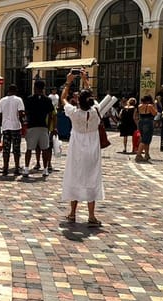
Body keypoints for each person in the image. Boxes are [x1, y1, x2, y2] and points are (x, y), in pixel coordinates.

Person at [59, 71, 118, 227]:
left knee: (74, 176)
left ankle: (72, 212)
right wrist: (85, 80)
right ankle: (91, 215)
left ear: (79, 101)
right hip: (92, 148)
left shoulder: (74, 113)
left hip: (76, 147)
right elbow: (91, 96)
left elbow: (63, 98)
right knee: (92, 178)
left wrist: (68, 82)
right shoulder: (96, 111)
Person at [24, 80, 56, 177]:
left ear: (35, 88)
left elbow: (26, 113)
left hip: (32, 126)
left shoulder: (29, 99)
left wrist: (26, 124)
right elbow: (51, 114)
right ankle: (45, 169)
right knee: (45, 149)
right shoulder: (47, 100)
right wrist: (49, 126)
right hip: (43, 126)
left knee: (29, 149)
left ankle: (26, 169)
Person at [0, 84, 25, 176]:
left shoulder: (2, 100)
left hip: (5, 127)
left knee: (6, 148)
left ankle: (5, 168)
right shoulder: (18, 100)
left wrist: (2, 123)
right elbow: (21, 113)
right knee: (16, 149)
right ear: (15, 91)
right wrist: (22, 123)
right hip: (15, 126)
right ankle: (16, 167)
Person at [135, 95, 158, 162]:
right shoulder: (149, 106)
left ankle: (146, 154)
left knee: (145, 139)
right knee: (145, 139)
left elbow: (137, 114)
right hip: (148, 122)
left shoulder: (139, 106)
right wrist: (155, 105)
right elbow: (155, 113)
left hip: (141, 122)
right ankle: (138, 155)